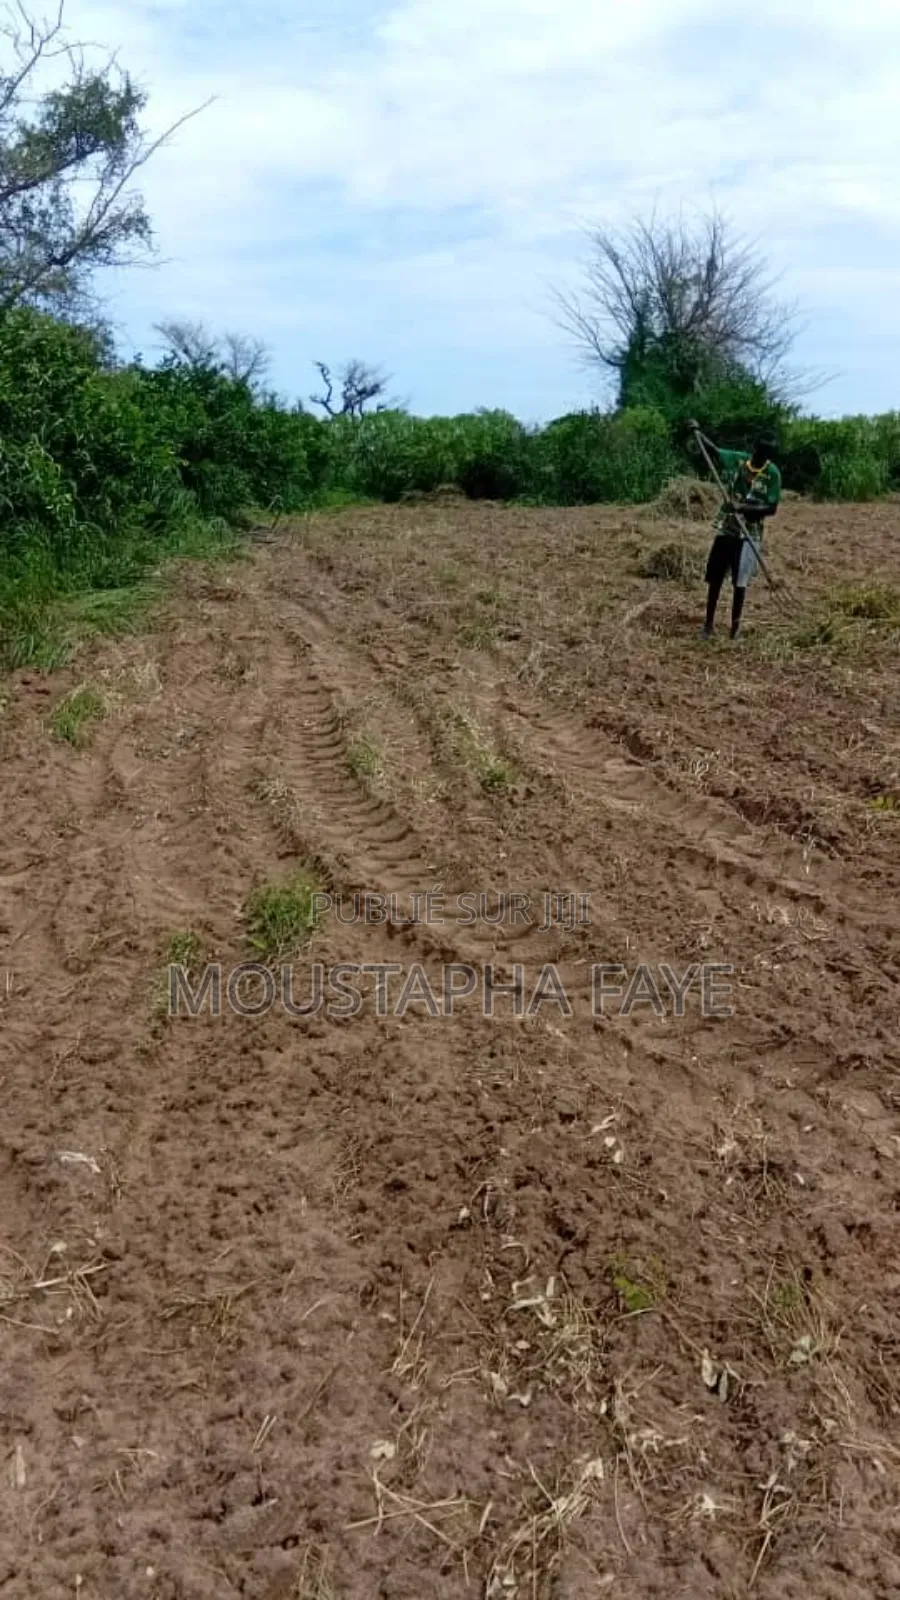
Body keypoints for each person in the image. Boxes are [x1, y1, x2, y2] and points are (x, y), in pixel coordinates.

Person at [688, 422, 782, 640]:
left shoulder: (772, 474)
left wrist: (742, 508)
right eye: (761, 450)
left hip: (750, 535)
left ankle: (735, 628)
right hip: (728, 529)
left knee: (740, 583)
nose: (763, 455)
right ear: (755, 448)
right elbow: (714, 452)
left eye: (767, 452)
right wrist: (698, 433)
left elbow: (771, 508)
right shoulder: (739, 461)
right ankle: (708, 625)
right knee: (715, 579)